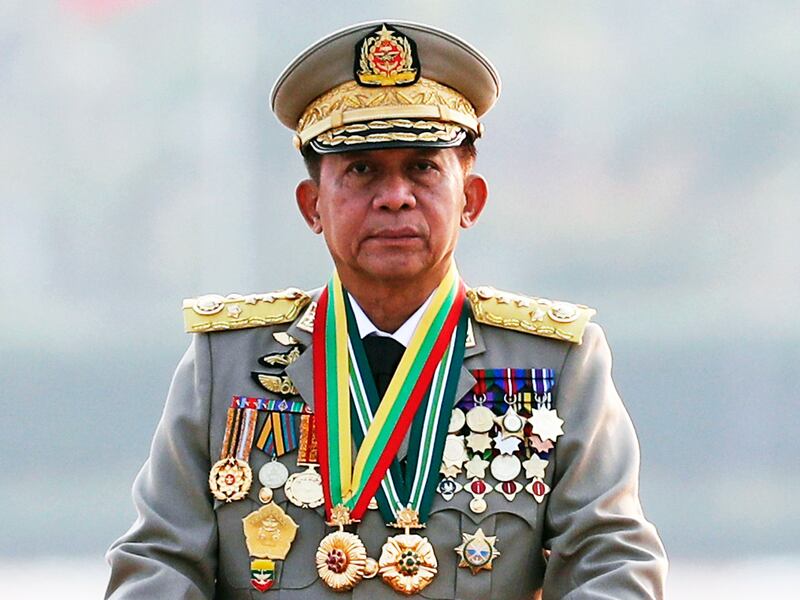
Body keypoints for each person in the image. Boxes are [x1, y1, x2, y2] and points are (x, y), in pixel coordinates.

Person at [106, 20, 667, 599]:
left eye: (423, 167)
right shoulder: (225, 364)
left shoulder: (554, 362)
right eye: (362, 169)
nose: (395, 195)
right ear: (312, 206)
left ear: (470, 200)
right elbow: (159, 561)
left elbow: (613, 561)